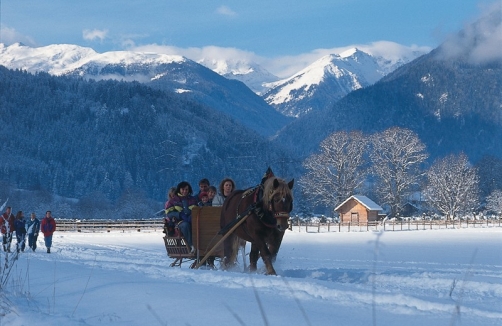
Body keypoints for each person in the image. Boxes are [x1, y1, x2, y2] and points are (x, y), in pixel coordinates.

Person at [164, 181, 198, 253]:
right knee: (185, 225)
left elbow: (196, 209)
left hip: (191, 219)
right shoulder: (173, 201)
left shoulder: (192, 200)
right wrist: (179, 215)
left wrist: (191, 215)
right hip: (178, 222)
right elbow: (169, 213)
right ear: (179, 189)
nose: (185, 191)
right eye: (183, 189)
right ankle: (191, 245)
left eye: (186, 189)